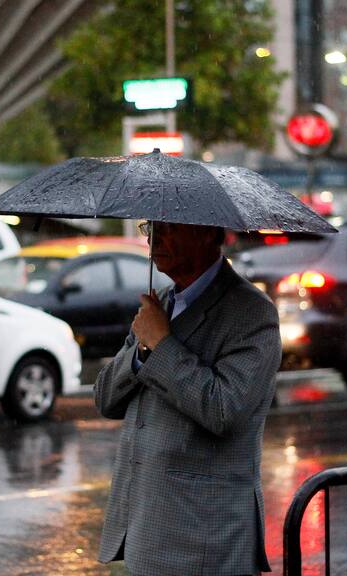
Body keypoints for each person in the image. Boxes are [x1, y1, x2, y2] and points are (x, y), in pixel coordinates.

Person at [94, 220, 281, 576]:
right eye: (150, 227)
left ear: (210, 233)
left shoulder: (252, 313)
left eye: (168, 227)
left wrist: (162, 344)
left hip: (205, 543)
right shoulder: (161, 302)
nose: (155, 238)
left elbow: (225, 410)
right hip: (145, 531)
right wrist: (142, 351)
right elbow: (105, 399)